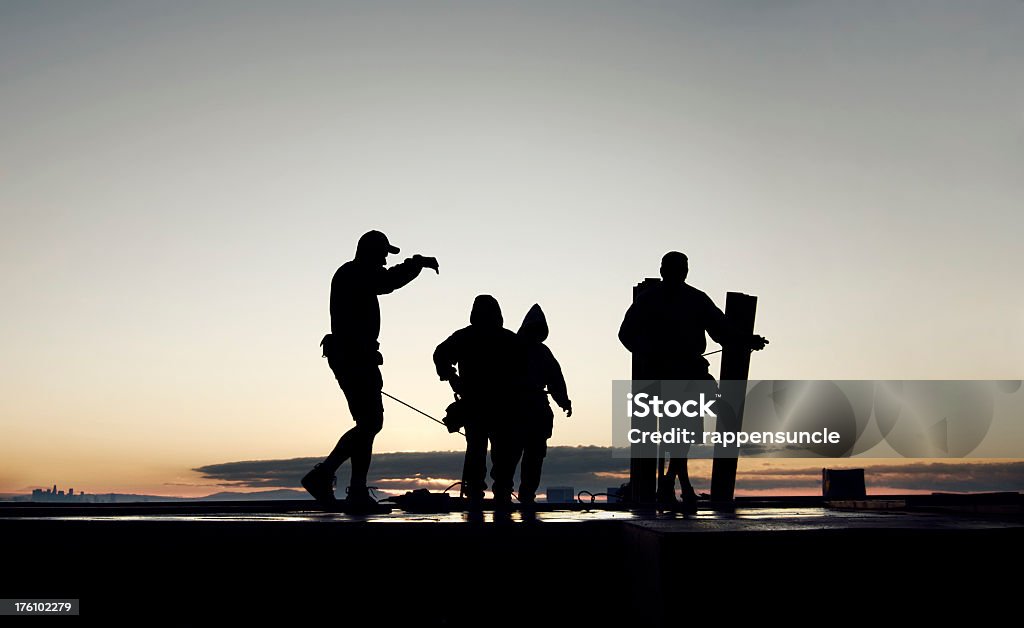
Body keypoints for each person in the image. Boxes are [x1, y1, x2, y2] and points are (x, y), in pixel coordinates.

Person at [618, 251, 767, 511]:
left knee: (682, 432)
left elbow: (722, 328)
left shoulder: (693, 299)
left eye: (682, 268)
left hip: (690, 372)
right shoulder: (652, 299)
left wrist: (747, 340)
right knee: (676, 431)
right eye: (676, 267)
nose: (679, 272)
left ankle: (672, 483)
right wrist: (650, 355)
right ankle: (675, 485)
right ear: (664, 270)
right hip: (666, 374)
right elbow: (626, 334)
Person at [302, 230, 438, 512]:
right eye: (384, 254)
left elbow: (384, 280)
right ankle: (333, 479)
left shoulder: (354, 274)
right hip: (353, 358)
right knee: (370, 422)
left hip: (356, 357)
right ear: (371, 252)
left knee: (368, 423)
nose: (386, 260)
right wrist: (416, 264)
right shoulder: (353, 273)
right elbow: (387, 282)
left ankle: (346, 484)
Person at [433, 295, 523, 508]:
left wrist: (451, 376)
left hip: (488, 405)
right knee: (494, 450)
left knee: (479, 448)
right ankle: (496, 490)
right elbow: (441, 355)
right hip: (494, 405)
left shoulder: (466, 337)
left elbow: (440, 354)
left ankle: (481, 491)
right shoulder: (508, 339)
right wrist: (451, 376)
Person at [510, 304, 572, 506]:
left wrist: (563, 401)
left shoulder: (541, 352)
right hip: (516, 410)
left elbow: (556, 380)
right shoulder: (512, 348)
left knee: (532, 457)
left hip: (534, 411)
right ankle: (506, 493)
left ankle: (525, 494)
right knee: (510, 456)